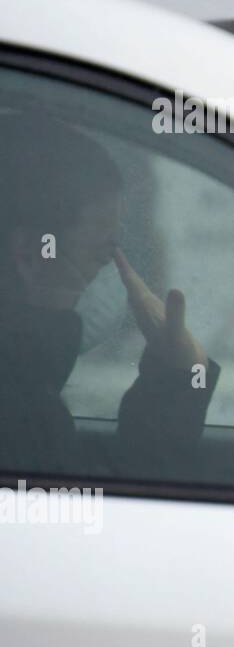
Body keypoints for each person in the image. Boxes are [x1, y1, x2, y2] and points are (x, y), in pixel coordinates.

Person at [0, 124, 219, 470]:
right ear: (31, 254)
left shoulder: (28, 390)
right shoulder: (20, 412)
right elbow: (120, 515)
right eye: (103, 253)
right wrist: (181, 377)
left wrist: (179, 375)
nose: (113, 272)